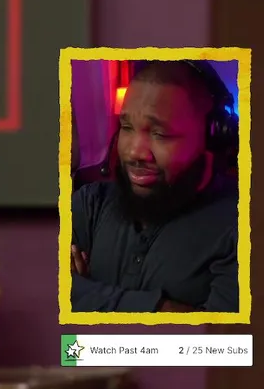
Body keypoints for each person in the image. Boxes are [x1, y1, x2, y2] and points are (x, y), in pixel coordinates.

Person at [70, 60, 239, 313]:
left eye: (160, 134)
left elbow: (219, 336)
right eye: (126, 127)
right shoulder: (90, 203)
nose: (134, 153)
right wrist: (165, 309)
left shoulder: (241, 228)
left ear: (211, 136)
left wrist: (87, 294)